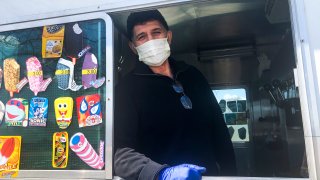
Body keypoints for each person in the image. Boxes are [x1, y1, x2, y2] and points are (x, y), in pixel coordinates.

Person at [114, 10, 236, 180]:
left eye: (156, 32)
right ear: (133, 47)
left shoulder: (193, 75)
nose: (151, 41)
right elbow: (121, 155)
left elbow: (219, 131)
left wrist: (232, 175)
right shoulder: (126, 89)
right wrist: (161, 173)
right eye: (142, 37)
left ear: (168, 37)